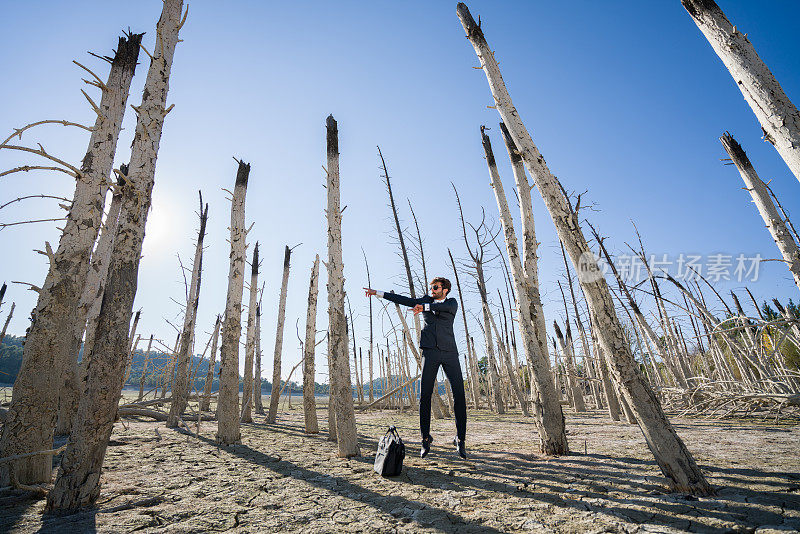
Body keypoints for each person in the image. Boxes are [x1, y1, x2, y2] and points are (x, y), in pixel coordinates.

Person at [364, 277, 467, 459]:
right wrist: (378, 293)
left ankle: (460, 439)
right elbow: (405, 300)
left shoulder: (451, 303)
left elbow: (441, 308)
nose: (432, 290)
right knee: (425, 395)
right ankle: (426, 439)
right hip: (430, 352)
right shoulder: (425, 301)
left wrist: (425, 308)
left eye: (435, 287)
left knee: (459, 395)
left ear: (445, 290)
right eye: (431, 287)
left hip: (450, 353)